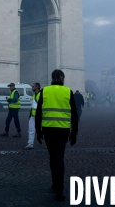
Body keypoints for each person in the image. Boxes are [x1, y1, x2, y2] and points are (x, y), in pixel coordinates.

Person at [35, 70, 78, 202]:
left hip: (48, 130)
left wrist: (38, 131)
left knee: (53, 157)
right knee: (59, 158)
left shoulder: (44, 91)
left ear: (52, 78)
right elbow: (74, 115)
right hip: (63, 130)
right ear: (62, 78)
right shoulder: (68, 91)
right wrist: (74, 133)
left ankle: (55, 183)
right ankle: (60, 189)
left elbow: (38, 113)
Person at [24, 82, 41, 150]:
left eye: (33, 86)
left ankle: (48, 143)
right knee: (31, 130)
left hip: (40, 116)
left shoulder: (41, 95)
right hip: (33, 116)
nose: (32, 87)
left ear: (37, 87)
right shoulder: (34, 95)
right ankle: (30, 144)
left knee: (44, 130)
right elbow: (33, 106)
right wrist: (30, 114)